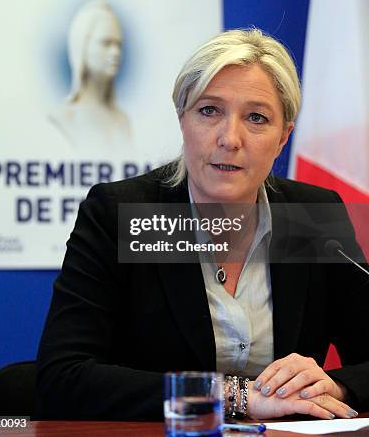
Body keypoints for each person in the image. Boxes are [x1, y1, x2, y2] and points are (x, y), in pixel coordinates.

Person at [36, 29, 369, 420]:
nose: (229, 138)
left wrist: (336, 385)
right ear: (182, 119)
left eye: (256, 118)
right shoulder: (127, 214)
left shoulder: (307, 217)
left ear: (283, 138)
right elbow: (63, 378)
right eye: (209, 110)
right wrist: (234, 396)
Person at [49, 0, 132, 153]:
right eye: (106, 43)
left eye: (118, 45)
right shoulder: (64, 118)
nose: (115, 52)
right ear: (82, 47)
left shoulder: (123, 121)